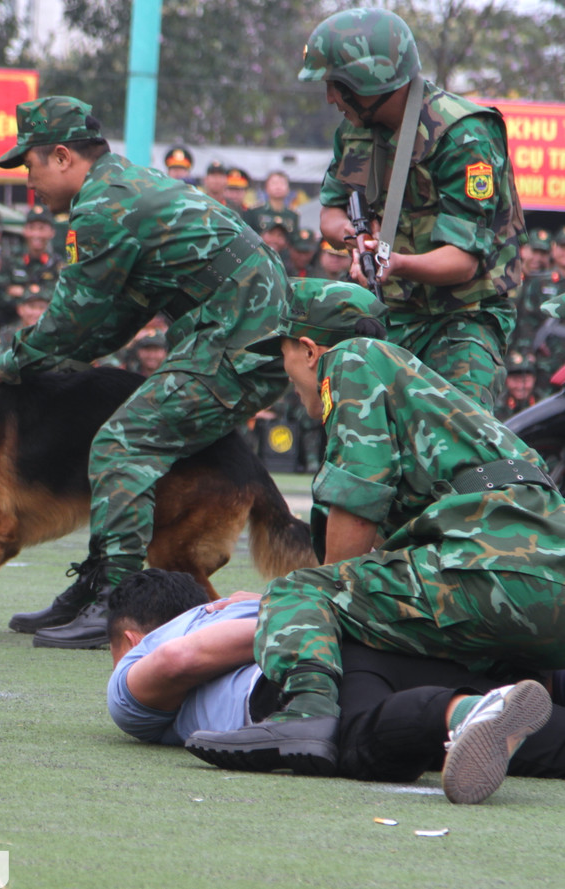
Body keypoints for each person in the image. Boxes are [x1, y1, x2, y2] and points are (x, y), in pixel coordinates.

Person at [182, 277, 565, 776]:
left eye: (282, 354)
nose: (286, 373)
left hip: (490, 565)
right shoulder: (444, 405)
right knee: (488, 679)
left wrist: (322, 601)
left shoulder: (352, 359)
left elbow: (359, 493)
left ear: (308, 349)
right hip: (540, 582)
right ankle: (488, 718)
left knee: (302, 592)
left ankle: (304, 716)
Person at [0, 95, 289, 649]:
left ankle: (116, 603)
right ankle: (97, 585)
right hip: (233, 330)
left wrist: (3, 367)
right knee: (120, 434)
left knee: (121, 444)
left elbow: (71, 319)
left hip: (237, 337)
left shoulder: (103, 206)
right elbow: (115, 320)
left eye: (30, 165)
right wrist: (51, 359)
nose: (28, 182)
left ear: (62, 156)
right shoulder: (126, 188)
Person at [106, 570, 557, 805]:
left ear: (130, 640)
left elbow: (177, 659)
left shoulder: (141, 656)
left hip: (308, 676)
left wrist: (322, 617)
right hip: (403, 643)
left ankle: (460, 714)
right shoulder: (256, 602)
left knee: (359, 740)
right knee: (532, 723)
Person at [300, 7, 523, 405]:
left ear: (371, 79)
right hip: (394, 311)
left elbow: (463, 261)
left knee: (457, 437)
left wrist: (396, 262)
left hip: (464, 317)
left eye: (336, 84)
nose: (330, 97)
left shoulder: (462, 135)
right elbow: (330, 213)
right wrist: (358, 240)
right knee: (370, 439)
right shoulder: (354, 130)